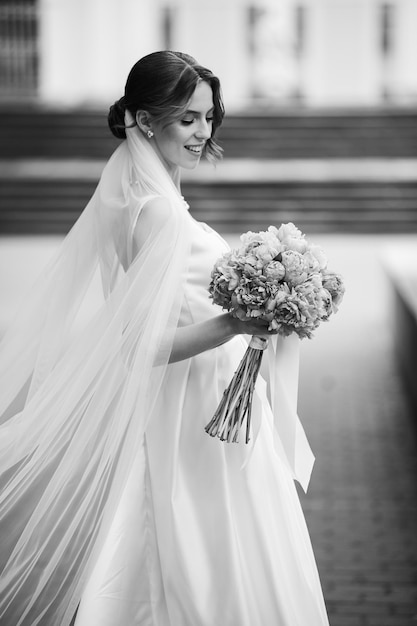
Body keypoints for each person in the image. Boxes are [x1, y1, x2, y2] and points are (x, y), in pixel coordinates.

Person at [0, 51, 329, 625]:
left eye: (208, 117)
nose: (203, 132)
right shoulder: (157, 214)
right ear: (146, 121)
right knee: (206, 551)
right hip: (194, 411)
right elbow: (138, 347)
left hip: (203, 403)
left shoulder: (145, 197)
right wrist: (236, 322)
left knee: (201, 547)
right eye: (188, 119)